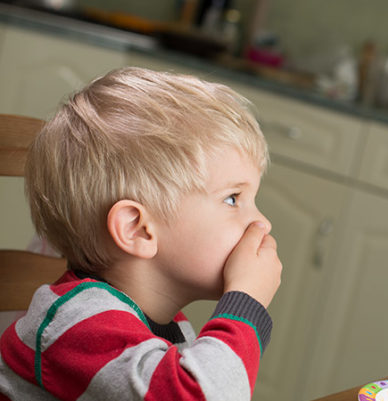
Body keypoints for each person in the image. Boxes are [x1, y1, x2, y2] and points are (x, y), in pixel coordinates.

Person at [0, 67, 282, 400]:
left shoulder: (164, 323)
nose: (262, 223)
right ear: (137, 229)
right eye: (233, 198)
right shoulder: (79, 324)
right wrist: (245, 303)